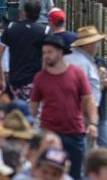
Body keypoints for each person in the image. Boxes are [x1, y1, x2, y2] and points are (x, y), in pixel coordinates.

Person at [30, 34, 97, 180]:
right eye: (44, 52)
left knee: (75, 174)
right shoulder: (40, 78)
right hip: (50, 135)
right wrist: (29, 128)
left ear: (60, 52)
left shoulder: (77, 73)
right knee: (50, 173)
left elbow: (88, 100)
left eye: (49, 52)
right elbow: (33, 106)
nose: (46, 56)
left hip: (74, 133)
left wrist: (92, 123)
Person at [0, 1, 50, 100]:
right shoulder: (45, 31)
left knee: (16, 112)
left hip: (15, 79)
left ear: (24, 12)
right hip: (35, 82)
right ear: (39, 14)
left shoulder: (11, 27)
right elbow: (47, 56)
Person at [65, 27, 106, 115]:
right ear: (89, 44)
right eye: (96, 43)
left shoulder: (73, 58)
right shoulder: (82, 63)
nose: (98, 46)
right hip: (79, 113)